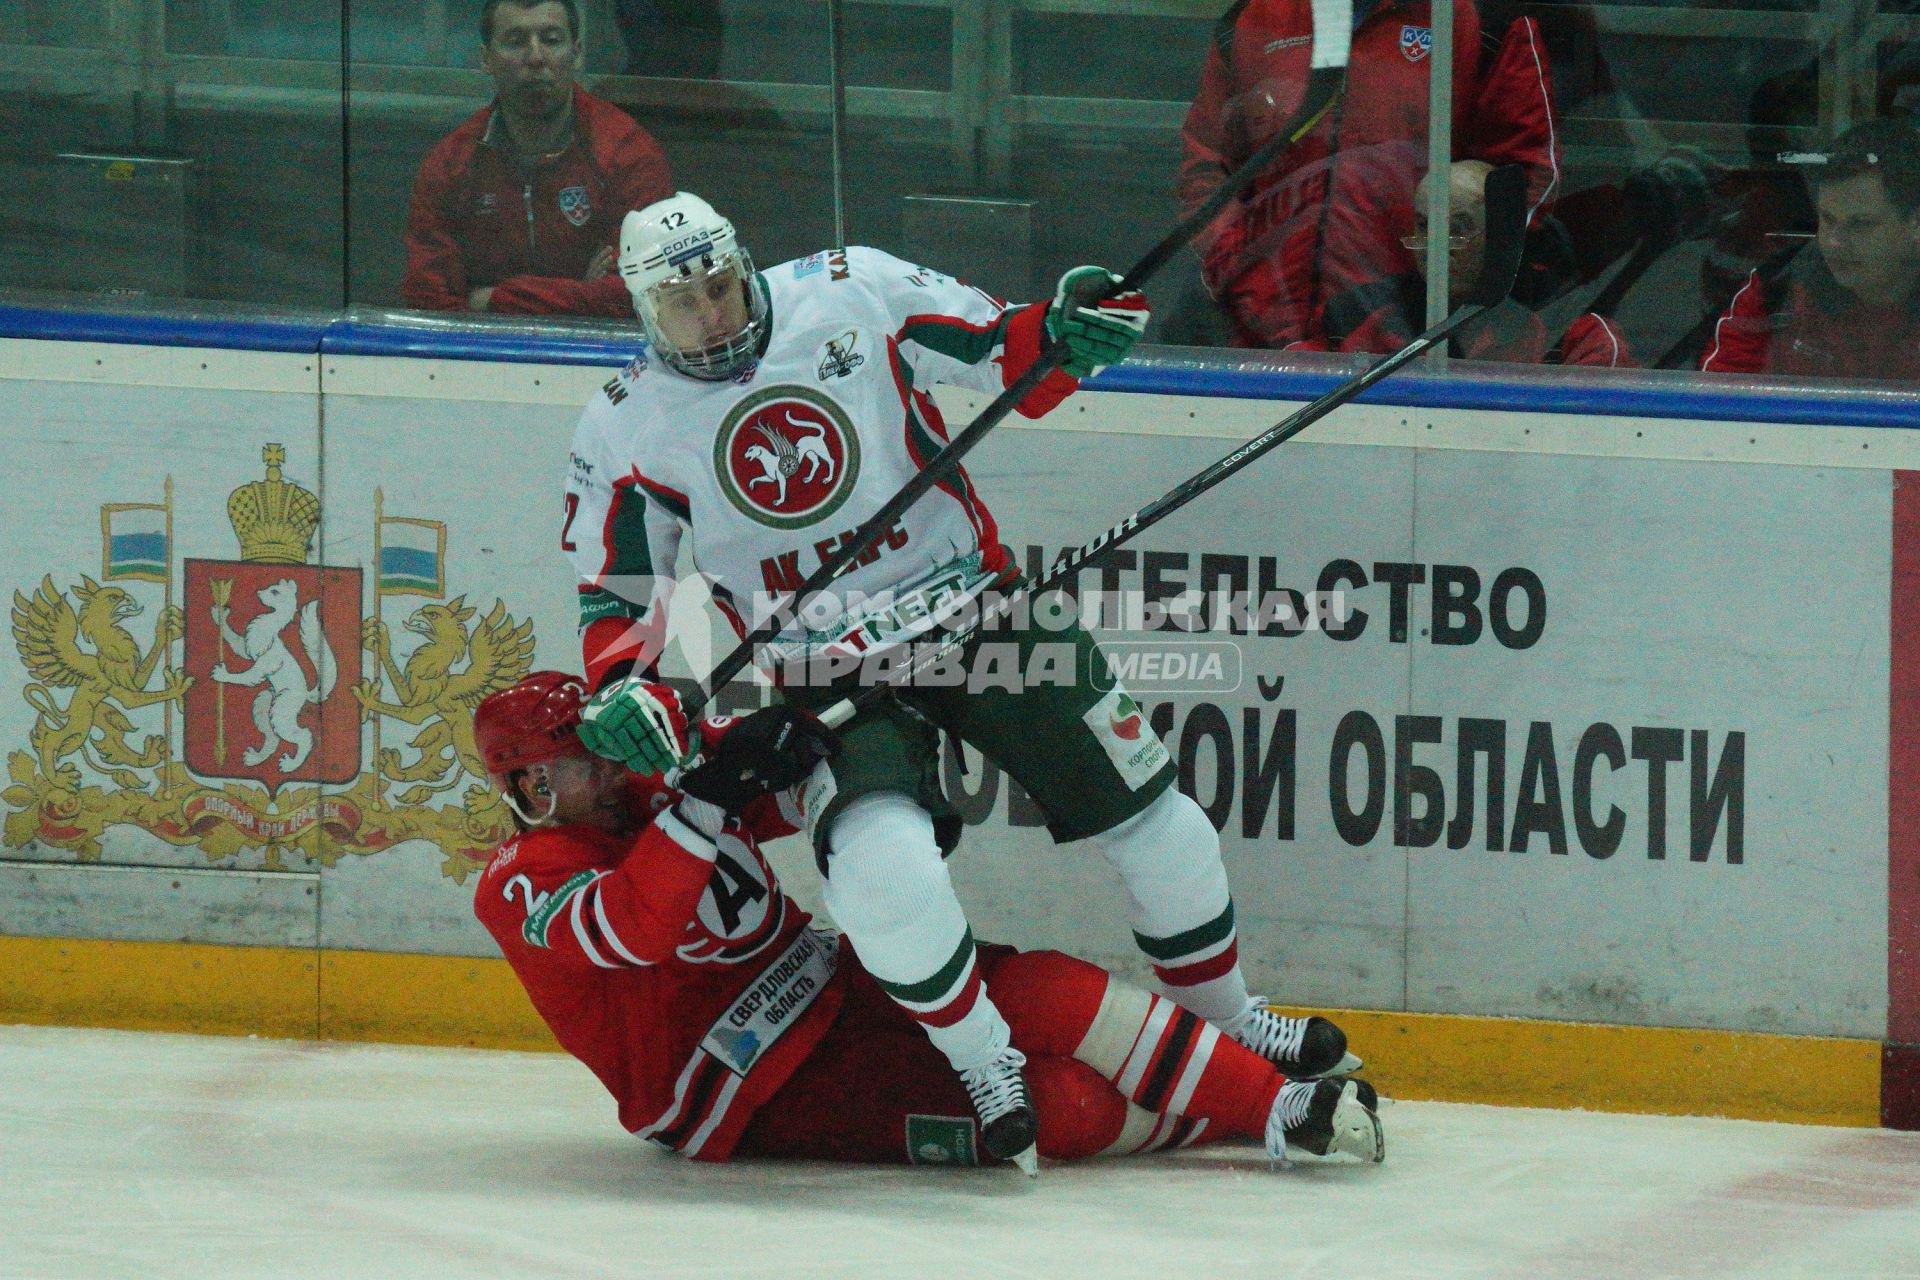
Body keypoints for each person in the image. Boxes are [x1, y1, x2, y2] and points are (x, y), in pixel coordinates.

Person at [558, 191, 1362, 1168]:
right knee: (882, 874)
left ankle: (1230, 1018)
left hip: (975, 605)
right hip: (817, 669)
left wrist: (1062, 333)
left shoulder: (856, 291)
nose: (712, 315)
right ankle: (985, 1058)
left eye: (722, 287)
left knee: (1162, 821)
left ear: (746, 260)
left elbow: (1001, 349)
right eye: (683, 303)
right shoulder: (624, 423)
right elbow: (618, 592)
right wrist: (625, 685)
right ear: (643, 309)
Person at [469, 671, 1385, 1169]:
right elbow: (638, 925)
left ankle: (1276, 1104)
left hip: (827, 981)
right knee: (1063, 1102)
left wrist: (785, 759)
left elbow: (760, 814)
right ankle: (1226, 1110)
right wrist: (705, 795)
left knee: (1043, 988)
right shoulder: (518, 881)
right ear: (533, 784)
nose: (605, 764)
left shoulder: (640, 795)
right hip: (740, 1089)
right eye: (580, 758)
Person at [1179, 0, 1559, 350]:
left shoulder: (1482, 17)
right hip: (1261, 341)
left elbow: (1522, 181)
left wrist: (1440, 296)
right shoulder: (1252, 18)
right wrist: (1243, 279)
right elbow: (1208, 169)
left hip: (1412, 345)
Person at [400, 0, 674, 316]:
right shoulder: (451, 163)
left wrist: (492, 299)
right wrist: (583, 294)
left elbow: (643, 292)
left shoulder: (628, 152)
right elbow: (427, 298)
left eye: (551, 40)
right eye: (516, 42)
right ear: (486, 58)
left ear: (577, 51)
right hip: (483, 354)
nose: (535, 57)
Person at [1299, 160, 1633, 366]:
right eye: (1424, 226)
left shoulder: (1572, 333)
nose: (1435, 246)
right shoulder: (1355, 318)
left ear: (1502, 236)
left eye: (1458, 228)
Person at [1701, 118, 1920, 380]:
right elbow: (1718, 404)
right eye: (1827, 219)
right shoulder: (1775, 291)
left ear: (1915, 224)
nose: (1833, 242)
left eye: (1861, 225)